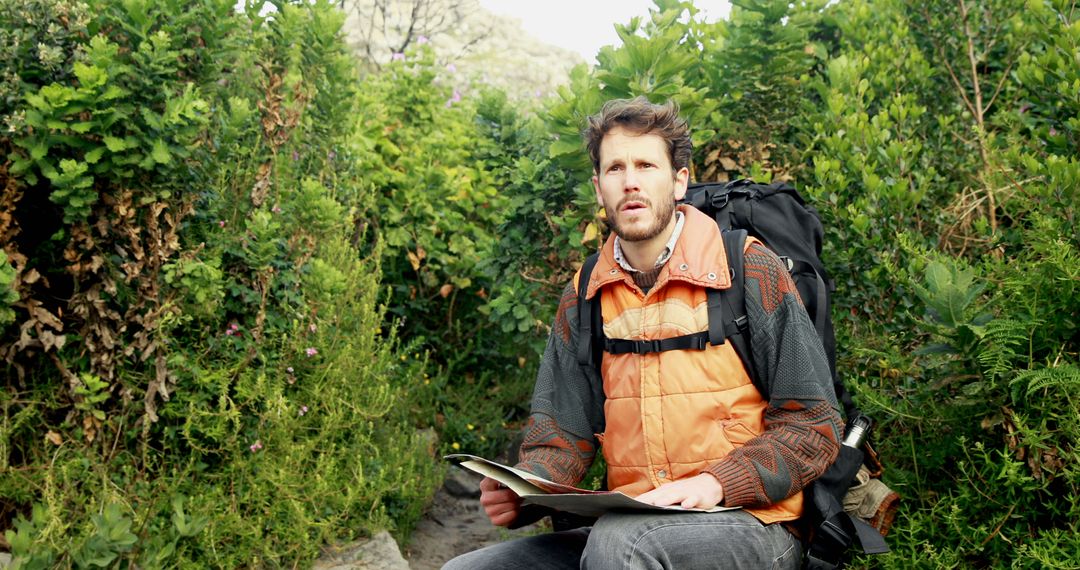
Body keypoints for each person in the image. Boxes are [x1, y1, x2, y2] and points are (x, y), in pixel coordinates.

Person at [444, 97, 842, 569]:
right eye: (615, 168)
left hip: (754, 524)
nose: (630, 181)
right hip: (628, 527)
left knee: (622, 545)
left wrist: (715, 483)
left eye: (646, 165)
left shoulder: (747, 270)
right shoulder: (585, 293)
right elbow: (560, 438)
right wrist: (526, 491)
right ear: (599, 188)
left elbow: (814, 424)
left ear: (679, 180)